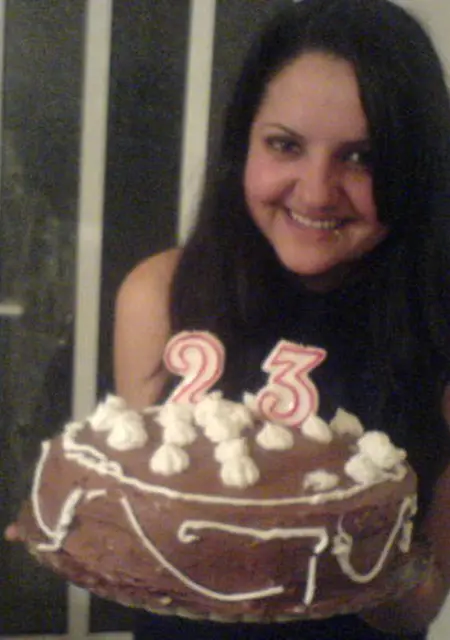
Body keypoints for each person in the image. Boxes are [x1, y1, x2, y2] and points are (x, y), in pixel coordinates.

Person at [6, 0, 450, 638]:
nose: (316, 191)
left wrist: (349, 553)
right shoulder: (160, 294)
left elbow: (417, 611)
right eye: (285, 145)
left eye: (363, 157)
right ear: (243, 144)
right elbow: (149, 534)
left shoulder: (439, 323)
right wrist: (78, 531)